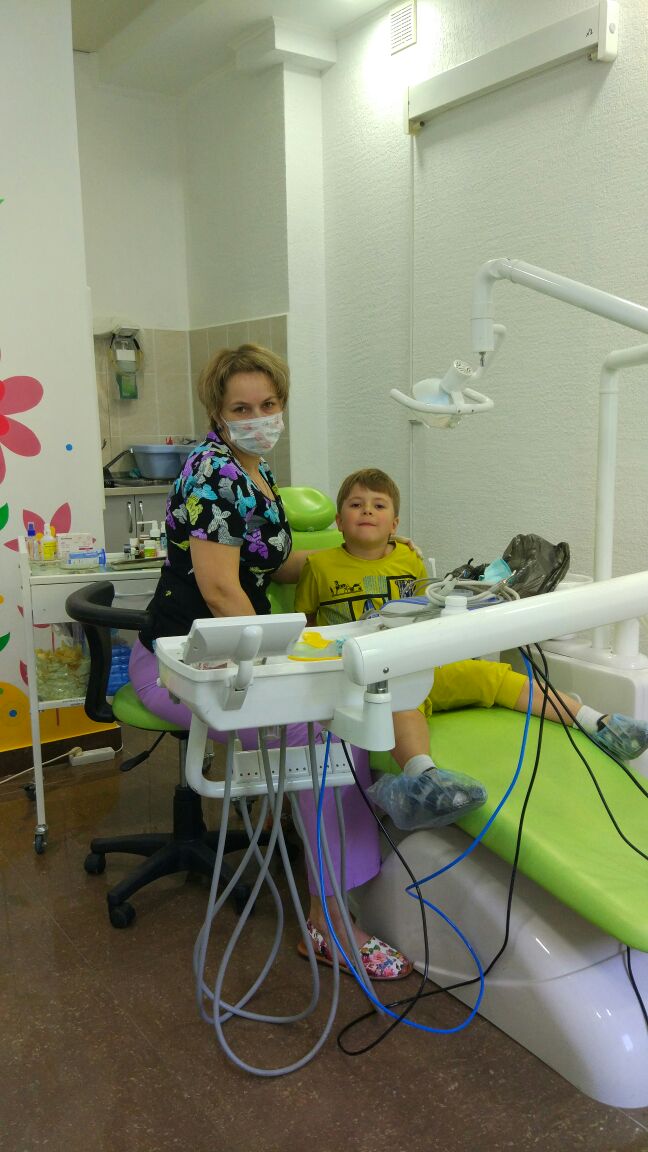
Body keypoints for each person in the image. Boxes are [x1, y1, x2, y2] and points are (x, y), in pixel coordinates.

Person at [128, 344, 413, 982]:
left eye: (269, 404)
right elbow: (220, 589)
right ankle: (328, 923)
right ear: (217, 412)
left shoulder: (255, 470)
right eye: (242, 408)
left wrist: (361, 553)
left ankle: (339, 887)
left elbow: (271, 565)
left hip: (237, 653)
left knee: (341, 725)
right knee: (319, 735)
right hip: (183, 664)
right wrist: (286, 671)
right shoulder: (212, 473)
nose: (259, 417)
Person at [294, 467, 648, 898]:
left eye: (378, 505)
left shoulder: (408, 560)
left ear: (395, 523)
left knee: (493, 676)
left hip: (421, 660)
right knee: (403, 705)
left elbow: (425, 610)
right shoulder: (319, 566)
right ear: (338, 520)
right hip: (371, 679)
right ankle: (424, 781)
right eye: (356, 504)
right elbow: (309, 630)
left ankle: (600, 724)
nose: (367, 511)